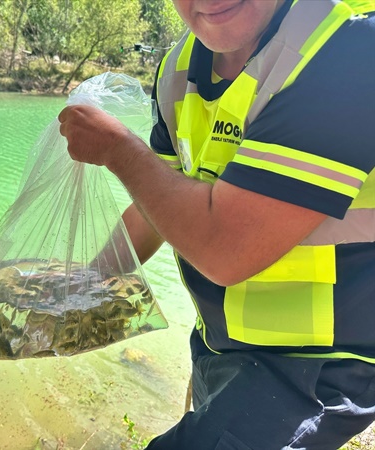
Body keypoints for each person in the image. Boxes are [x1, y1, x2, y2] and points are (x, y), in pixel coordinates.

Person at [58, 0, 375, 448]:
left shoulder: (350, 51)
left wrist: (118, 150)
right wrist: (86, 284)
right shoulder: (178, 66)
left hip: (322, 366)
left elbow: (228, 251)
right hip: (217, 345)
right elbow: (155, 208)